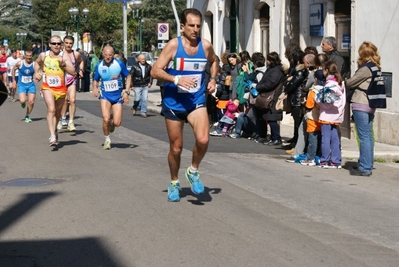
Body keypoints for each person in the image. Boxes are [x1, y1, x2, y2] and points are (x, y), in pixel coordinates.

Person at [150, 8, 218, 202]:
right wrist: (176, 79)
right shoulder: (173, 45)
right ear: (182, 26)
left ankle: (193, 170)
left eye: (198, 26)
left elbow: (214, 62)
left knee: (203, 140)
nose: (195, 29)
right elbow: (155, 71)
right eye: (191, 26)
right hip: (174, 103)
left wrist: (213, 79)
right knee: (176, 148)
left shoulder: (205, 46)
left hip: (196, 101)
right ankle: (174, 182)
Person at [346, 41, 382, 176]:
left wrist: (345, 80)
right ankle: (366, 163)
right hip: (370, 104)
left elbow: (351, 82)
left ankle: (365, 167)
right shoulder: (376, 67)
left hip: (361, 103)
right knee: (368, 136)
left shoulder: (366, 68)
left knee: (364, 136)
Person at [34, 35, 76, 146]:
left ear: (61, 45)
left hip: (61, 88)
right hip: (47, 87)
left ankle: (55, 130)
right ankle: (52, 135)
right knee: (51, 109)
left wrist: (63, 63)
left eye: (58, 43)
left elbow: (73, 72)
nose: (56, 46)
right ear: (49, 44)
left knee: (57, 112)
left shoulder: (64, 56)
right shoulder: (44, 55)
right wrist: (37, 73)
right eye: (54, 43)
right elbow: (37, 63)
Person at [92, 45, 132, 150]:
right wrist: (95, 88)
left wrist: (126, 91)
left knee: (117, 123)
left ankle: (112, 122)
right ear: (103, 55)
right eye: (106, 55)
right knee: (105, 119)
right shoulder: (99, 65)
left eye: (110, 55)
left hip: (117, 96)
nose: (108, 57)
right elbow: (95, 79)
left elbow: (128, 76)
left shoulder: (119, 64)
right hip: (105, 95)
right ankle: (107, 139)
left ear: (113, 55)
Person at [315, 61, 346, 169]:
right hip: (336, 115)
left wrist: (317, 99)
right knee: (335, 138)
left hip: (327, 115)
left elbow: (327, 103)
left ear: (327, 71)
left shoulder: (330, 85)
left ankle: (324, 160)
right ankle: (336, 160)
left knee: (326, 138)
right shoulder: (340, 83)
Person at [58, 36, 83, 131]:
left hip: (72, 79)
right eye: (66, 43)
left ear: (73, 44)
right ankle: (62, 118)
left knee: (72, 100)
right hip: (61, 80)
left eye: (70, 43)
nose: (68, 45)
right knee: (64, 100)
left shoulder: (75, 54)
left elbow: (81, 61)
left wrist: (81, 70)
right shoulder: (59, 54)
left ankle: (71, 122)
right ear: (63, 43)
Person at [11, 50, 37, 123]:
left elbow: (38, 72)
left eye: (30, 56)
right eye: (27, 56)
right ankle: (23, 103)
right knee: (22, 101)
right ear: (25, 56)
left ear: (32, 56)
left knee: (31, 102)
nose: (29, 57)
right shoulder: (20, 63)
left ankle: (27, 116)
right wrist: (13, 80)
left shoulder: (34, 64)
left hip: (31, 85)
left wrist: (38, 76)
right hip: (22, 85)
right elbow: (13, 69)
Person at [130, 53, 153, 118]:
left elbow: (151, 75)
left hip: (145, 84)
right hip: (137, 85)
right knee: (137, 99)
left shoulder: (148, 66)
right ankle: (134, 107)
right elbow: (131, 76)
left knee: (145, 99)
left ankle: (143, 112)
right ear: (139, 60)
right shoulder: (134, 66)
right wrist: (131, 85)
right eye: (142, 59)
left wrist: (150, 82)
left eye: (144, 59)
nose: (143, 60)